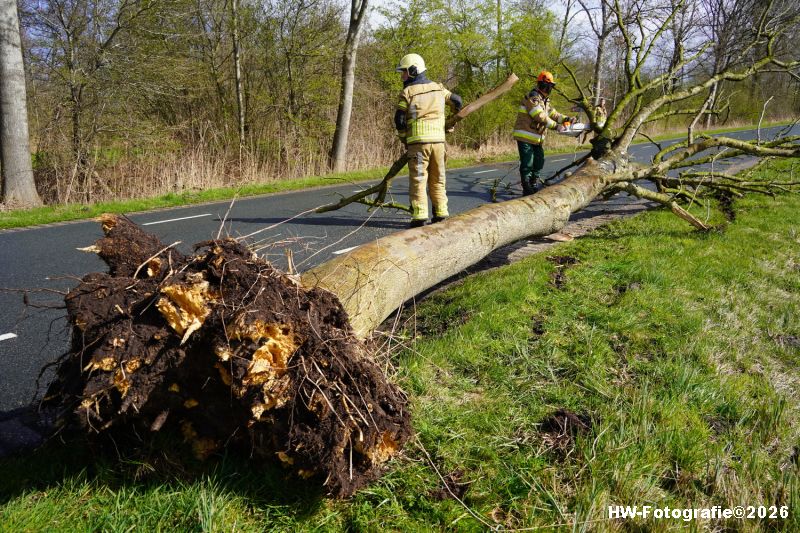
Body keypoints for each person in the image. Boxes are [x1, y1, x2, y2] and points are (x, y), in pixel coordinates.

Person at [395, 53, 462, 228]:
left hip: (418, 145)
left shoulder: (407, 92)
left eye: (404, 72)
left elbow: (399, 120)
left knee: (419, 179)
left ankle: (419, 216)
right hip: (439, 144)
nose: (402, 76)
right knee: (438, 178)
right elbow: (457, 100)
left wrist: (404, 139)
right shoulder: (439, 88)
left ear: (413, 71)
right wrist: (452, 119)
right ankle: (441, 213)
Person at [513, 71, 575, 195]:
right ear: (542, 85)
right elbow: (539, 116)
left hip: (536, 138)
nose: (549, 88)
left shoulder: (544, 100)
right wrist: (556, 126)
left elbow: (553, 113)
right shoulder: (533, 97)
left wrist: (567, 119)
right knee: (528, 162)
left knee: (539, 160)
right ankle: (526, 186)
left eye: (550, 86)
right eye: (547, 86)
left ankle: (534, 182)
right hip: (525, 135)